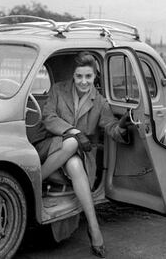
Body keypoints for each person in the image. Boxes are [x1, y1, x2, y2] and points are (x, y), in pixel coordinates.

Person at [32, 52, 131, 258]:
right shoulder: (58, 89)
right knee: (70, 143)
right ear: (73, 76)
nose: (83, 81)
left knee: (75, 164)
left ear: (95, 76)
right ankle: (35, 183)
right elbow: (48, 117)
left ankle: (94, 228)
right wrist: (75, 132)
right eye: (79, 76)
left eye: (88, 76)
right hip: (51, 146)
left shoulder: (100, 102)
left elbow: (111, 127)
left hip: (79, 157)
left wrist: (122, 127)